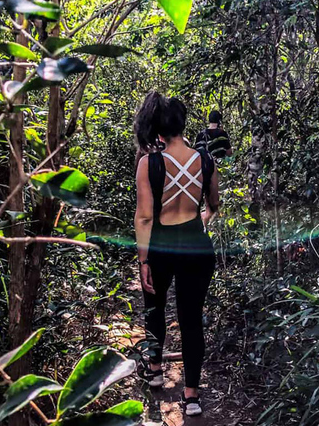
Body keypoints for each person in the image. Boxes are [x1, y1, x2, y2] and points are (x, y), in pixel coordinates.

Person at [133, 91, 220, 417]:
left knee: (154, 308)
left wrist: (143, 261)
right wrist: (200, 222)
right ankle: (192, 395)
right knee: (191, 320)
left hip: (159, 246)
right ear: (183, 124)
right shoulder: (205, 160)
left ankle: (155, 371)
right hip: (197, 246)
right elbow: (213, 205)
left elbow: (143, 217)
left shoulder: (149, 163)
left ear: (157, 128)